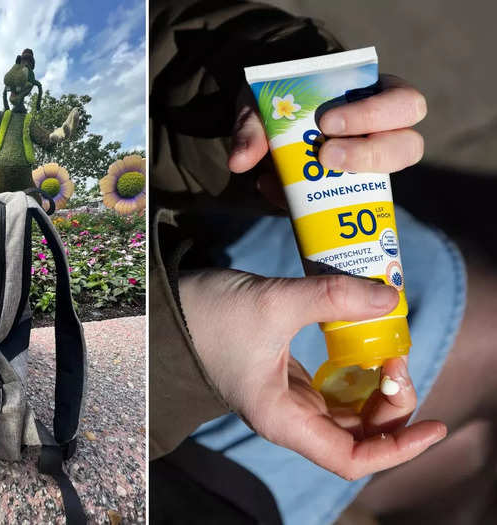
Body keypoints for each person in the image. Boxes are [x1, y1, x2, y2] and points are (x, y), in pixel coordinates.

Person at [150, 1, 496, 523]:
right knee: (476, 377)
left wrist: (279, 92)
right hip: (165, 457)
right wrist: (187, 342)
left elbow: (144, 38)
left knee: (458, 430)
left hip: (181, 266)